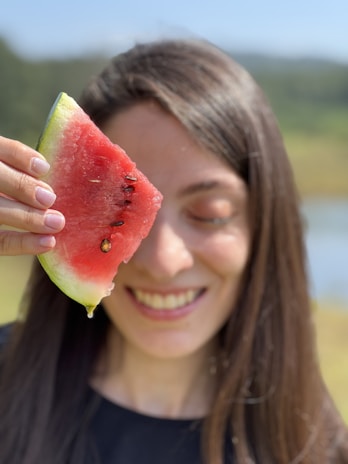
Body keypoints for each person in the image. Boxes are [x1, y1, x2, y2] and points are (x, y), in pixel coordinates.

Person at [0, 38, 347, 464]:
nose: (164, 262)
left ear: (264, 225)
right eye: (118, 212)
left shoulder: (319, 448)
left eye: (210, 213)